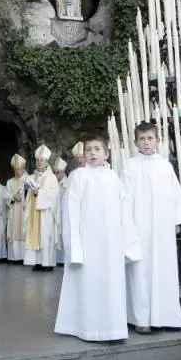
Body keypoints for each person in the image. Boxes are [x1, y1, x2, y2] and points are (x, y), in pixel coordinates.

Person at [55, 136, 141, 342]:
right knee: (88, 284)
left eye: (97, 149)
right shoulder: (78, 176)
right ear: (83, 156)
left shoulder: (113, 178)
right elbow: (71, 211)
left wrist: (128, 243)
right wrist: (74, 246)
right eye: (88, 150)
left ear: (107, 154)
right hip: (87, 241)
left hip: (111, 242)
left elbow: (124, 211)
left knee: (110, 285)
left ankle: (113, 329)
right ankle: (86, 327)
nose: (92, 153)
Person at [122, 122, 181, 333]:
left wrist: (177, 221)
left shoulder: (165, 166)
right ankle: (141, 318)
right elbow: (123, 198)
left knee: (164, 269)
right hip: (138, 227)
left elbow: (175, 195)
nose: (146, 142)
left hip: (162, 229)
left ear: (158, 141)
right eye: (142, 139)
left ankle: (165, 316)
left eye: (150, 138)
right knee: (140, 271)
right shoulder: (129, 165)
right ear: (135, 142)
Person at [23, 145, 60, 271]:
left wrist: (39, 192)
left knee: (45, 235)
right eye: (38, 160)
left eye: (42, 160)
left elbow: (53, 195)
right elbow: (29, 195)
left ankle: (47, 263)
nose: (39, 162)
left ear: (47, 162)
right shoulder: (32, 177)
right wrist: (28, 190)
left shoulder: (52, 177)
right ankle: (37, 262)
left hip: (45, 212)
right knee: (35, 234)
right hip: (34, 211)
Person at [5, 154, 28, 262]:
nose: (17, 172)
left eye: (19, 169)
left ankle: (25, 257)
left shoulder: (29, 179)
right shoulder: (10, 182)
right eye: (15, 169)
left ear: (23, 168)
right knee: (14, 229)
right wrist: (13, 198)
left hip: (24, 211)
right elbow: (6, 198)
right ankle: (14, 257)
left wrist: (23, 198)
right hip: (14, 212)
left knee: (25, 230)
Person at [54, 157, 68, 265]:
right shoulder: (53, 182)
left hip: (64, 213)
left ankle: (63, 259)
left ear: (63, 172)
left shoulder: (67, 183)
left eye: (58, 172)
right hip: (55, 212)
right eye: (55, 172)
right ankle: (55, 259)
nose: (56, 174)